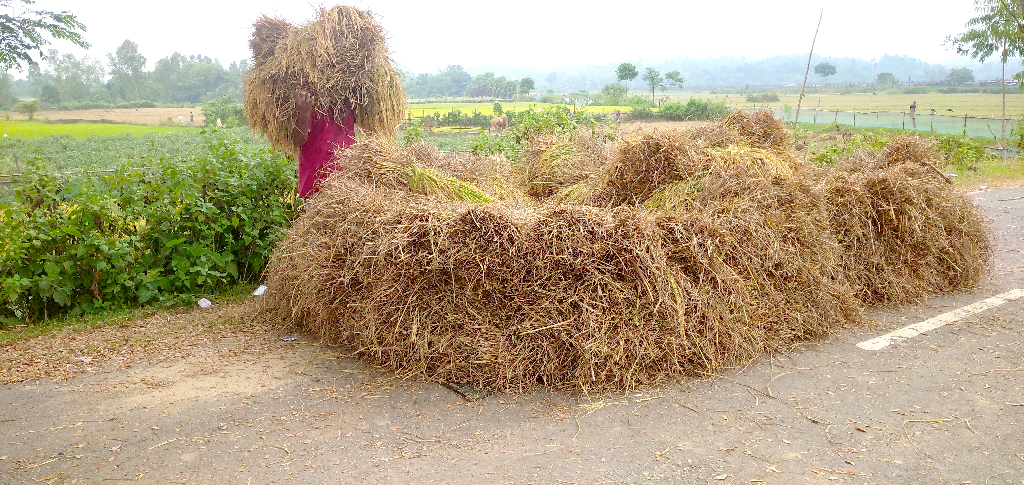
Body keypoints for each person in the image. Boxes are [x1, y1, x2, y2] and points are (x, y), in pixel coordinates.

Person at [291, 89, 357, 198]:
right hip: (317, 188)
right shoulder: (314, 106)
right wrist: (304, 113)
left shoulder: (348, 105)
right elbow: (298, 140)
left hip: (347, 185)